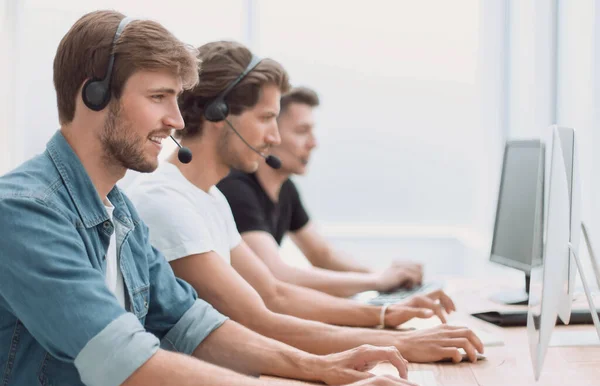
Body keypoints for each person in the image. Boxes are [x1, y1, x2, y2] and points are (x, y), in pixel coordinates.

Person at [0, 12, 442, 386]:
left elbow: (196, 325)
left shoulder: (120, 215)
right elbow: (135, 373)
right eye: (158, 97)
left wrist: (323, 368)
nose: (176, 119)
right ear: (93, 95)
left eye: (177, 99)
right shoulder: (25, 213)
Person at [127, 40, 483, 369]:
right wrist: (403, 343)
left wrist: (386, 316)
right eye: (266, 118)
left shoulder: (210, 197)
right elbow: (262, 317)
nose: (275, 137)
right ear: (220, 115)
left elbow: (275, 293)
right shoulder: (166, 202)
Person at [218, 86, 427, 298]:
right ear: (270, 134)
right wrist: (376, 281)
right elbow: (275, 273)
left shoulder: (286, 189)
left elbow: (322, 254)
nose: (313, 143)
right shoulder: (236, 188)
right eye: (301, 131)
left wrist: (383, 275)